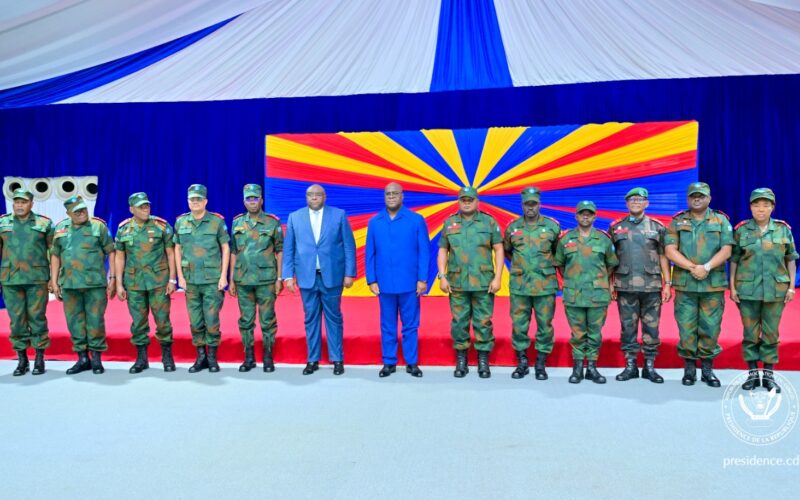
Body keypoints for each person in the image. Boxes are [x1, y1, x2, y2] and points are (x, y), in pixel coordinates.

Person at [282, 184, 356, 376]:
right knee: (310, 318)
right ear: (306, 197)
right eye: (310, 195)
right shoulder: (295, 217)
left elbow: (349, 246)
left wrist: (349, 273)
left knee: (334, 317)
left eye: (318, 195)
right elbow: (288, 248)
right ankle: (312, 359)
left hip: (332, 275)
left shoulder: (339, 215)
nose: (314, 198)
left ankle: (337, 359)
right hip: (306, 276)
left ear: (325, 197)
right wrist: (288, 275)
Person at [665, 182, 733, 387]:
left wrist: (707, 267)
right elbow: (670, 250)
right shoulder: (677, 221)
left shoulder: (721, 220)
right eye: (693, 196)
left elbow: (727, 250)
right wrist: (693, 267)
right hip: (686, 284)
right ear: (688, 199)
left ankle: (707, 369)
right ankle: (689, 369)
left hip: (712, 284)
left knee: (710, 328)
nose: (697, 199)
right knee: (686, 328)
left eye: (701, 196)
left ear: (709, 198)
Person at [730, 188, 797, 393]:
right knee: (750, 334)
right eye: (757, 205)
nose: (761, 209)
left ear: (772, 207)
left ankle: (768, 376)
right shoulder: (742, 230)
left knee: (771, 334)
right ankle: (752, 375)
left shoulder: (783, 230)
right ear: (750, 207)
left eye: (766, 205)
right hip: (747, 290)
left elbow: (791, 259)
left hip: (776, 290)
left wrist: (791, 287)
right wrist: (732, 287)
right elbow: (734, 260)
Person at [437, 186, 504, 379]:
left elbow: (499, 249)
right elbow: (443, 250)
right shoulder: (450, 223)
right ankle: (461, 360)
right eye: (463, 200)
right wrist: (442, 276)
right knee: (459, 322)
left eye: (470, 200)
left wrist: (498, 277)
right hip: (457, 282)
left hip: (483, 282)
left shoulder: (489, 222)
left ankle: (483, 360)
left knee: (483, 321)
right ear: (459, 201)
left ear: (477, 201)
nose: (467, 203)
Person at [365, 182, 429, 378]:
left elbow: (424, 251)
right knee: (387, 324)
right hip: (384, 283)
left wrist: (422, 279)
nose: (391, 196)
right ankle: (389, 362)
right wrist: (371, 280)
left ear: (402, 196)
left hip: (410, 282)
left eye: (395, 193)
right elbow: (370, 253)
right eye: (388, 194)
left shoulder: (416, 220)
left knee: (410, 324)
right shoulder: (375, 222)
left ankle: (411, 362)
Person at [609, 187, 671, 384]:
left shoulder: (657, 227)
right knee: (627, 327)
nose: (636, 202)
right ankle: (630, 366)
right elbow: (610, 258)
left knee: (652, 327)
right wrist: (610, 283)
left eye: (639, 199)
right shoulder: (616, 227)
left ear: (647, 203)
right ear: (627, 203)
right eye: (632, 199)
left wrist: (667, 283)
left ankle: (649, 366)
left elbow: (664, 256)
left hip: (652, 286)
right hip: (625, 285)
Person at [50, 195, 116, 374]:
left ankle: (96, 359)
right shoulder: (61, 229)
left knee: (95, 321)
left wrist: (112, 278)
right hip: (70, 284)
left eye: (83, 209)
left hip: (95, 284)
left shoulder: (98, 226)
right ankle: (82, 358)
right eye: (76, 211)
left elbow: (111, 252)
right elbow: (55, 255)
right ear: (68, 213)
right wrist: (54, 281)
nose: (81, 213)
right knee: (74, 322)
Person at [555, 201, 618, 384]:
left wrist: (599, 280)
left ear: (594, 216)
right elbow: (560, 264)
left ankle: (591, 367)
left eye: (589, 214)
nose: (585, 216)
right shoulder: (566, 239)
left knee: (595, 332)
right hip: (574, 294)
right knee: (577, 333)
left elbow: (611, 264)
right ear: (576, 216)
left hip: (597, 295)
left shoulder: (603, 239)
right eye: (582, 213)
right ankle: (577, 369)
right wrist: (573, 279)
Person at [114, 192, 177, 373]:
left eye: (147, 205)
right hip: (134, 283)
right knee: (138, 322)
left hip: (158, 282)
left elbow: (171, 253)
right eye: (141, 206)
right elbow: (119, 257)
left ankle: (167, 357)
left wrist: (172, 279)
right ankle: (142, 359)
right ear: (131, 209)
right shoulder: (124, 229)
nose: (145, 209)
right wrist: (119, 283)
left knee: (163, 321)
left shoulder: (161, 226)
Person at [503, 186, 560, 380]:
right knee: (519, 324)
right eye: (527, 204)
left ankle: (541, 364)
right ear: (522, 205)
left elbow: (558, 252)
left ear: (539, 204)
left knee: (545, 325)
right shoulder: (513, 227)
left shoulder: (552, 227)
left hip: (545, 285)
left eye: (533, 204)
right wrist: (521, 266)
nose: (530, 207)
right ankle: (522, 363)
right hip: (520, 285)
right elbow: (507, 251)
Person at [174, 184, 230, 373]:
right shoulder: (181, 222)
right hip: (190, 280)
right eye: (192, 199)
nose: (195, 202)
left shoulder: (216, 222)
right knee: (195, 321)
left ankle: (212, 358)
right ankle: (201, 357)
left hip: (212, 280)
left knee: (212, 320)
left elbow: (225, 248)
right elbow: (177, 248)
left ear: (205, 201)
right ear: (188, 201)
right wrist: (180, 276)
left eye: (199, 199)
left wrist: (223, 276)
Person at [229, 184, 283, 373]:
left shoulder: (272, 222)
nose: (252, 201)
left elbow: (279, 251)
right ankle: (249, 357)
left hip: (266, 280)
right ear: (244, 201)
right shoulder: (237, 222)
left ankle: (268, 357)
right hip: (243, 280)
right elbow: (234, 252)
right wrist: (231, 279)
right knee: (246, 320)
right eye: (248, 198)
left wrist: (279, 278)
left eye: (255, 198)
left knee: (267, 320)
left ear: (261, 200)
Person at [0, 188, 53, 376]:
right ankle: (22, 360)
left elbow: (53, 251)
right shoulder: (2, 223)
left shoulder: (44, 223)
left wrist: (53, 278)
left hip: (36, 278)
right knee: (16, 320)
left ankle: (39, 358)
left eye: (23, 202)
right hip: (10, 279)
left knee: (37, 317)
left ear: (31, 204)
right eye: (17, 202)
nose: (19, 205)